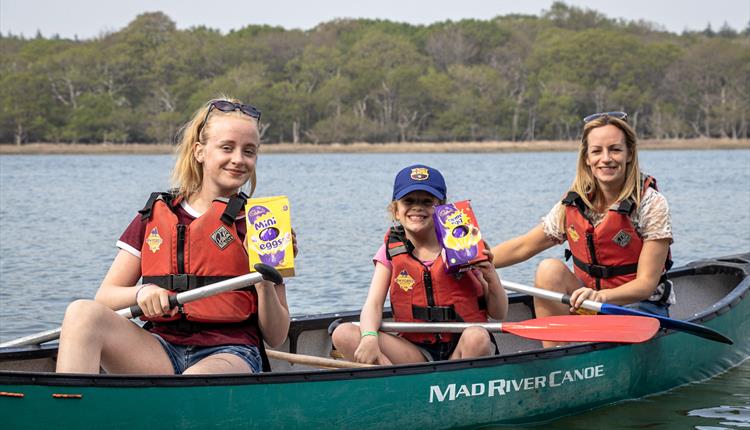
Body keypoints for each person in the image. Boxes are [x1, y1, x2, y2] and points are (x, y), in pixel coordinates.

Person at [56, 97, 291, 375]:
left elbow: (276, 336)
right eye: (227, 148)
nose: (238, 159)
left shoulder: (265, 223)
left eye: (249, 151)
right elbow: (106, 296)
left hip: (231, 351)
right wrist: (143, 292)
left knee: (193, 382)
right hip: (160, 347)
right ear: (199, 152)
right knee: (82, 314)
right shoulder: (155, 215)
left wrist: (263, 280)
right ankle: (69, 411)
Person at [491, 112, 673, 347]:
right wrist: (477, 262)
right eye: (597, 151)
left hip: (636, 308)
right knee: (549, 269)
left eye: (615, 150)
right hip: (588, 304)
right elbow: (523, 246)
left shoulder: (651, 203)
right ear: (586, 157)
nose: (606, 159)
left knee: (629, 305)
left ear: (629, 154)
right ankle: (556, 357)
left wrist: (602, 297)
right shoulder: (574, 202)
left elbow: (645, 284)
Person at [332, 165, 508, 364]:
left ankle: (454, 386)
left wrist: (491, 276)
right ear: (395, 210)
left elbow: (499, 312)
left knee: (476, 336)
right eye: (408, 201)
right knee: (343, 333)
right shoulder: (390, 251)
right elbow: (373, 304)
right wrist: (369, 337)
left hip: (463, 346)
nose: (417, 207)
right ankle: (393, 382)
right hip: (415, 350)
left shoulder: (462, 244)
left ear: (442, 208)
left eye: (427, 202)